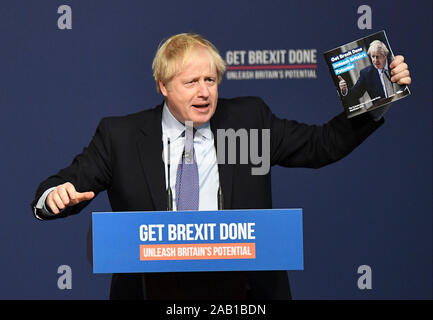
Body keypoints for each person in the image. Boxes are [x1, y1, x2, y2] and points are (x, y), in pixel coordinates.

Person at [31, 33, 411, 300]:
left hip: (244, 293)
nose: (204, 92)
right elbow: (59, 187)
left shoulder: (249, 118)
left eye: (211, 80)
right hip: (152, 291)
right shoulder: (120, 134)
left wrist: (377, 105)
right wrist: (55, 197)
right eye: (191, 81)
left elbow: (320, 145)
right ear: (163, 86)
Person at [338, 40, 408, 102]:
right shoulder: (366, 74)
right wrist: (344, 90)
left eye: (378, 56)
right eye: (373, 56)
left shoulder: (395, 63)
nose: (375, 60)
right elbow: (355, 93)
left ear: (385, 55)